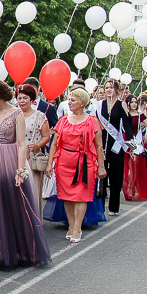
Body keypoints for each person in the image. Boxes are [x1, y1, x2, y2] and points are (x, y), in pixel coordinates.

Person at [0, 80, 50, 268]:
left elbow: (21, 144)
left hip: (9, 157)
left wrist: (20, 169)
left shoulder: (17, 114)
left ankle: (21, 249)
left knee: (12, 205)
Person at [46, 87, 106, 243]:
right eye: (69, 100)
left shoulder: (92, 121)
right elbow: (54, 144)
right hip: (64, 162)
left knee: (81, 196)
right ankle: (71, 226)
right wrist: (49, 164)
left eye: (73, 100)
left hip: (85, 163)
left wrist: (101, 166)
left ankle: (78, 228)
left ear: (82, 102)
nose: (69, 103)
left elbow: (99, 146)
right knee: (67, 196)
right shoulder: (63, 120)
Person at [98, 79, 134, 216]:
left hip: (116, 145)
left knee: (116, 175)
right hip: (101, 144)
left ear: (117, 90)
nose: (108, 90)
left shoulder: (122, 105)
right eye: (106, 87)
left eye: (111, 88)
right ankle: (100, 205)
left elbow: (128, 124)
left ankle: (113, 206)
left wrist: (130, 140)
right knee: (102, 174)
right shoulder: (99, 105)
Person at [17, 83, 50, 213]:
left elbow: (46, 136)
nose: (22, 101)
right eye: (20, 98)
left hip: (32, 157)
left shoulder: (39, 115)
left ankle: (34, 223)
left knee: (33, 190)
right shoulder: (14, 114)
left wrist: (37, 145)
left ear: (31, 99)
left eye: (25, 98)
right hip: (15, 155)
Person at [122, 95, 147, 202]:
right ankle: (128, 190)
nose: (134, 104)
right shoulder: (125, 114)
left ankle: (131, 189)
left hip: (137, 144)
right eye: (132, 102)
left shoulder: (140, 115)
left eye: (136, 102)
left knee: (134, 166)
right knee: (127, 168)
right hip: (126, 143)